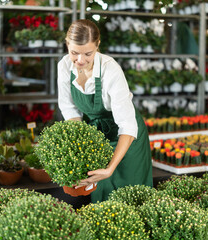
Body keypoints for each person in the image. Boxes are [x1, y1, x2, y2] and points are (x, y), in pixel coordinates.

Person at [57, 19, 152, 202]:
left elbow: (127, 125)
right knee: (101, 196)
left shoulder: (110, 70)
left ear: (97, 46)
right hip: (95, 134)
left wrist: (110, 168)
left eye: (88, 54)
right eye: (74, 53)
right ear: (67, 44)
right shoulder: (64, 66)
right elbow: (70, 109)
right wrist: (82, 142)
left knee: (130, 196)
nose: (80, 60)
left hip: (126, 138)